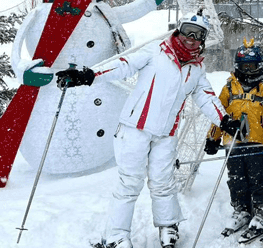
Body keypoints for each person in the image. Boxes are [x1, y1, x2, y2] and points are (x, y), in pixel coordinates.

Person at [56, 14, 231, 248]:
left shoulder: (196, 68)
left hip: (166, 134)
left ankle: (168, 226)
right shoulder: (156, 51)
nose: (191, 38)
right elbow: (123, 66)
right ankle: (116, 236)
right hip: (134, 129)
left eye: (198, 34)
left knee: (163, 182)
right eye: (188, 30)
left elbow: (206, 97)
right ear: (178, 29)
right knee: (129, 183)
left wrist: (225, 120)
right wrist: (88, 75)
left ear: (203, 39)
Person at [208, 40, 263, 239]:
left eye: (252, 66)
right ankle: (242, 208)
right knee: (236, 178)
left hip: (256, 141)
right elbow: (219, 113)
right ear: (238, 67)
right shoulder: (229, 88)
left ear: (260, 66)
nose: (248, 71)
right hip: (232, 140)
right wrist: (212, 138)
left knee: (257, 178)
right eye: (244, 67)